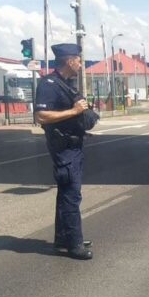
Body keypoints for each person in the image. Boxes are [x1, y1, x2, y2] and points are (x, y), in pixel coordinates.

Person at [34, 43, 94, 260]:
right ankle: (74, 244)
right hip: (64, 148)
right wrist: (74, 110)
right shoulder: (49, 84)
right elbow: (41, 116)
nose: (80, 63)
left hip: (73, 146)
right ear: (69, 61)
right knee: (71, 195)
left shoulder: (64, 83)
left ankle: (64, 238)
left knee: (66, 193)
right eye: (78, 59)